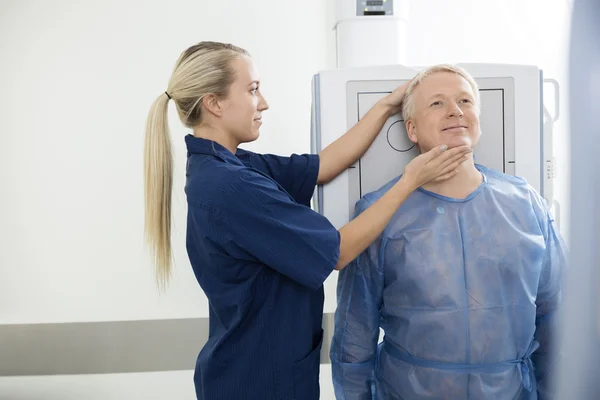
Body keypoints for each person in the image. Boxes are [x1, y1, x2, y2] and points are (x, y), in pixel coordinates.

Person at [143, 42, 470, 400]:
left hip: (257, 369)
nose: (263, 102)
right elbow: (339, 252)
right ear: (214, 103)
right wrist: (411, 180)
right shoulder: (230, 185)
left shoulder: (228, 166)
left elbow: (323, 165)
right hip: (256, 381)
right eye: (252, 90)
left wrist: (385, 105)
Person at [330, 64, 568, 400]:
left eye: (465, 101)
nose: (455, 111)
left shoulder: (526, 203)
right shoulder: (378, 214)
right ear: (411, 129)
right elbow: (354, 339)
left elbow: (556, 316)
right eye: (437, 103)